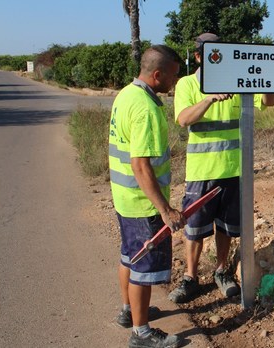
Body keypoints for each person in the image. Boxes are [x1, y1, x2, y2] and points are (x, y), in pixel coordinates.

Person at [168, 33, 274, 302]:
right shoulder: (188, 83)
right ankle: (190, 278)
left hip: (234, 171)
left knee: (226, 228)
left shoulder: (239, 79)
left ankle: (221, 272)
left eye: (221, 52)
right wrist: (208, 99)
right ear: (198, 56)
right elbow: (182, 119)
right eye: (210, 53)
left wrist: (270, 78)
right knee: (194, 229)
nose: (218, 57)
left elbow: (268, 101)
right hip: (201, 172)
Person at [109, 45, 187, 348]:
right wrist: (164, 209)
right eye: (173, 76)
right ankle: (141, 333)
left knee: (129, 255)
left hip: (125, 198)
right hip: (143, 204)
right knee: (144, 266)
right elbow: (141, 165)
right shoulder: (146, 108)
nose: (175, 82)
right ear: (157, 75)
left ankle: (129, 312)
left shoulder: (126, 94)